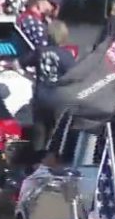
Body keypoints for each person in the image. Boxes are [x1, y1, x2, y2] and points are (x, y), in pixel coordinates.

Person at [20, 20, 77, 153]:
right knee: (54, 136)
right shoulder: (66, 56)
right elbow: (74, 77)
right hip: (58, 100)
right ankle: (50, 164)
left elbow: (19, 63)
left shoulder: (40, 51)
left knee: (39, 134)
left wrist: (31, 77)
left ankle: (35, 164)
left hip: (40, 98)